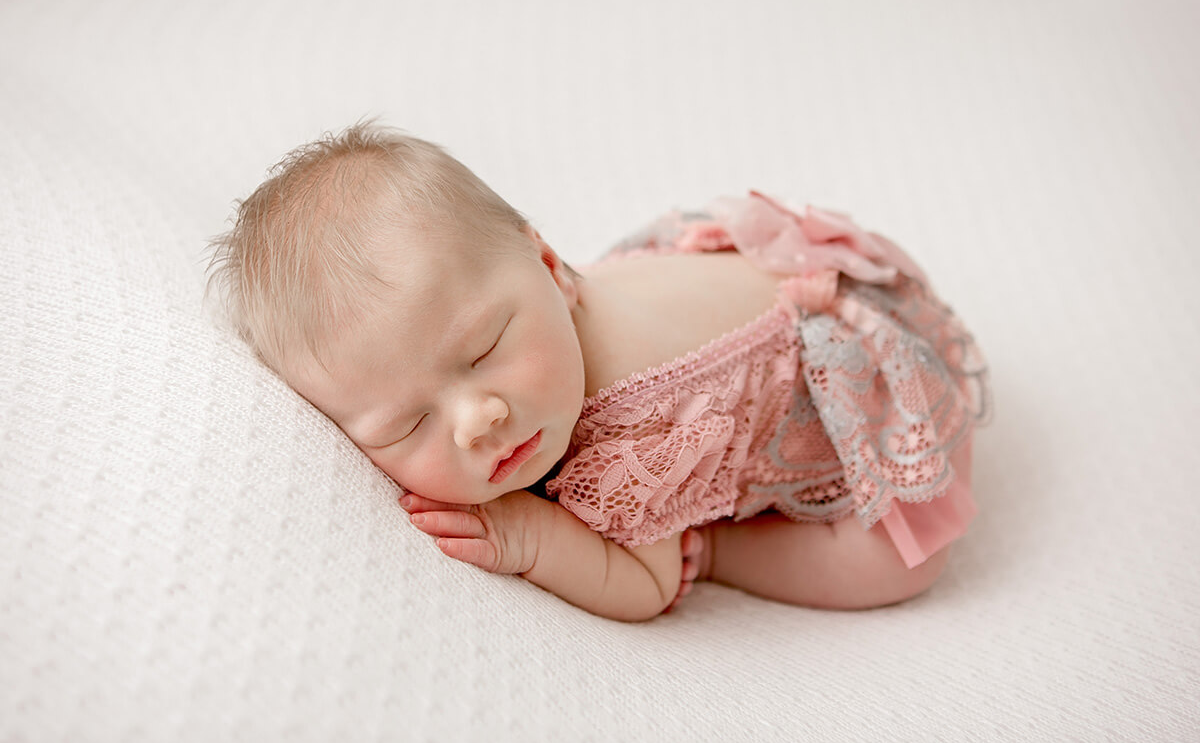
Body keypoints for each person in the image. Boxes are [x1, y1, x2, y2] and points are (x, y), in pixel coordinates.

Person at [208, 122, 990, 622]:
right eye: (408, 424)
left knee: (900, 562)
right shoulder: (531, 308)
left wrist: (532, 540)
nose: (478, 417)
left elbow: (643, 587)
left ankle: (716, 546)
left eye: (483, 350)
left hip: (854, 370)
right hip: (758, 288)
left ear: (551, 266)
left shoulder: (627, 440)